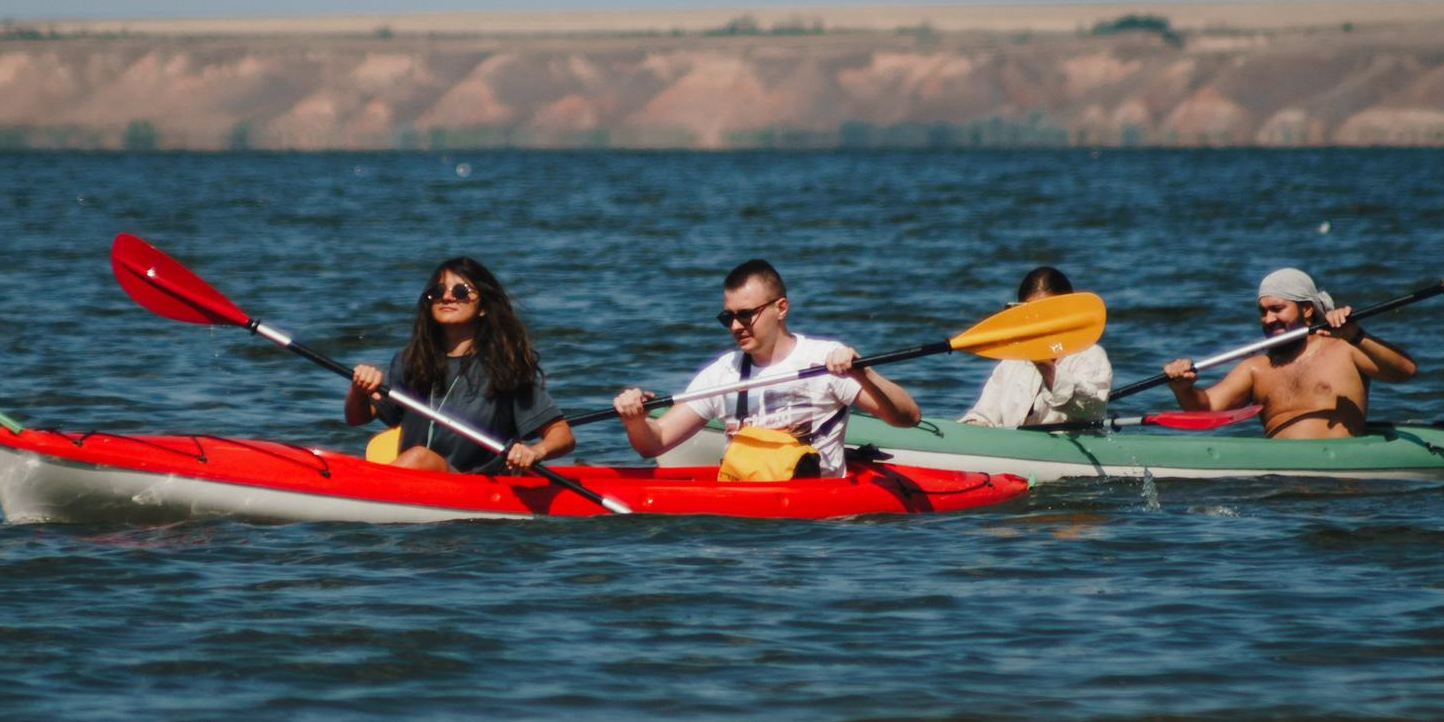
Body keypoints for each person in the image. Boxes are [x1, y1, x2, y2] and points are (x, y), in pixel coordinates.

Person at [610, 259, 921, 478]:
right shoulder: (722, 373)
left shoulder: (824, 360)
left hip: (816, 515)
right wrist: (635, 419)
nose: (735, 326)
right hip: (747, 514)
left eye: (745, 315)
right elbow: (654, 442)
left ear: (781, 308)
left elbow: (907, 418)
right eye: (727, 317)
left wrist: (861, 372)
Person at [344, 257, 573, 473]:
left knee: (419, 457)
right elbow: (357, 418)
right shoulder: (411, 360)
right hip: (414, 477)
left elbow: (562, 435)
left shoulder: (506, 367)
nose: (447, 297)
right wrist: (358, 390)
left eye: (460, 291)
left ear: (483, 307)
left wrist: (535, 451)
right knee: (419, 457)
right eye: (438, 291)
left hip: (476, 485)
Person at [1160, 267, 1416, 438]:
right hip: (1280, 490)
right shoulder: (1257, 367)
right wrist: (1182, 388)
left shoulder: (1344, 348)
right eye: (1263, 312)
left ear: (1306, 310)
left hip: (1339, 484)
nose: (1268, 319)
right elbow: (1206, 408)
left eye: (1277, 309)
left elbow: (1405, 372)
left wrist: (1356, 335)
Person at [961, 265, 1111, 429]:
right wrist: (974, 423)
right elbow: (984, 414)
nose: (1041, 323)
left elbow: (1091, 410)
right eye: (1033, 314)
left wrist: (1043, 364)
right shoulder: (1011, 362)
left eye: (1049, 313)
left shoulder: (1090, 355)